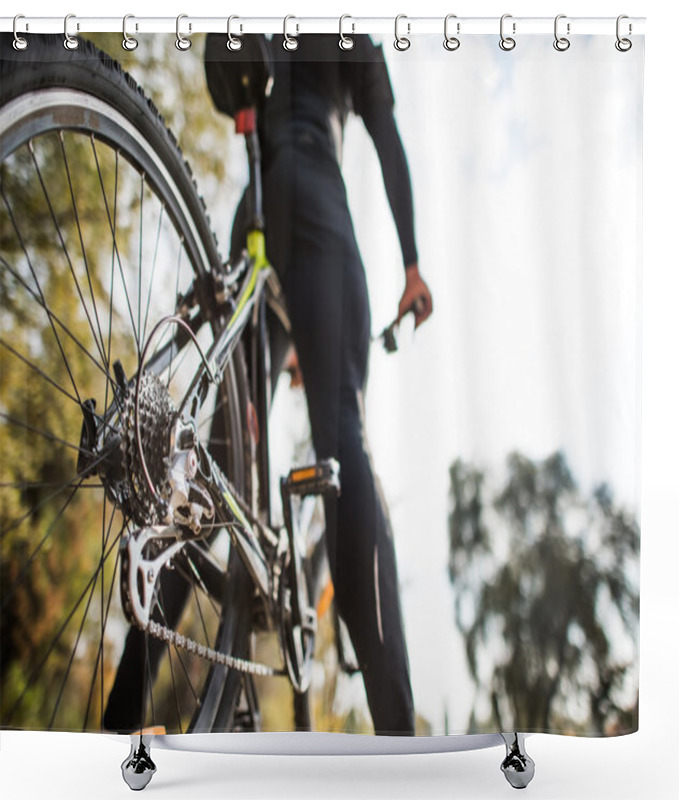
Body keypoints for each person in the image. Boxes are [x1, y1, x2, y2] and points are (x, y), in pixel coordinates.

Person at [251, 33, 432, 735]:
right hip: (316, 194)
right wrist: (412, 263)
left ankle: (127, 708)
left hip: (254, 208)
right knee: (342, 441)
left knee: (216, 449)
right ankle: (398, 732)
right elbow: (384, 133)